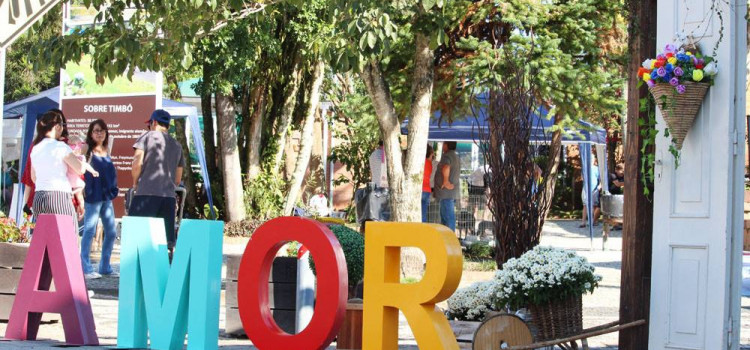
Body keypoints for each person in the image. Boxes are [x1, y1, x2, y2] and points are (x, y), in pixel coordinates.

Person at [29, 111, 94, 238]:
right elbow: (80, 169)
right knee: (69, 239)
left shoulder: (35, 148)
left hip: (39, 197)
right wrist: (82, 156)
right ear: (57, 127)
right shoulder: (61, 147)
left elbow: (33, 177)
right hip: (59, 196)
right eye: (62, 125)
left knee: (45, 240)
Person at [129, 110, 185, 255]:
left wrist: (135, 183)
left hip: (146, 194)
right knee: (164, 244)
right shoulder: (177, 145)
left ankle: (138, 275)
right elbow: (178, 179)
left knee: (138, 239)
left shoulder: (147, 137)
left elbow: (136, 163)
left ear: (153, 122)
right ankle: (163, 274)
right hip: (168, 197)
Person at [80, 120, 119, 279]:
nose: (99, 133)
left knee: (111, 232)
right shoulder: (86, 149)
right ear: (91, 133)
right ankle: (85, 267)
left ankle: (105, 266)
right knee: (89, 230)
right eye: (96, 131)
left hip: (106, 196)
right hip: (92, 196)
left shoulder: (106, 149)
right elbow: (78, 168)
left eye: (102, 131)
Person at [21, 109, 70, 216]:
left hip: (39, 196)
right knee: (66, 232)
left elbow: (30, 177)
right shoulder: (63, 145)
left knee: (44, 232)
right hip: (61, 197)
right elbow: (78, 170)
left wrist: (26, 202)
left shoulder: (36, 146)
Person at [434, 141, 460, 231]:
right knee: (447, 217)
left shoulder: (447, 156)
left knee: (447, 218)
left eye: (444, 144)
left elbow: (446, 167)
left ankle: (449, 238)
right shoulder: (455, 156)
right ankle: (447, 237)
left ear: (446, 145)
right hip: (448, 194)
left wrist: (445, 181)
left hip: (446, 194)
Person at [580, 157, 601, 228]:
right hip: (586, 188)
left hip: (594, 189)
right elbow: (582, 178)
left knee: (595, 205)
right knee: (585, 205)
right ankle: (583, 222)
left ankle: (594, 220)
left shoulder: (597, 168)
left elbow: (600, 179)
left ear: (594, 160)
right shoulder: (584, 168)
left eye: (591, 159)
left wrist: (599, 186)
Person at [421, 145, 434, 223]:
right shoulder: (429, 163)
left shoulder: (420, 162)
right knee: (424, 213)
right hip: (427, 190)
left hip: (419, 190)